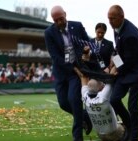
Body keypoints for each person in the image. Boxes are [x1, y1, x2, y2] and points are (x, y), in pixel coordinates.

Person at [107, 5, 138, 141]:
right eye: (108, 19)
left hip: (137, 70)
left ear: (121, 17)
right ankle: (131, 124)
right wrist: (113, 59)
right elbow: (117, 48)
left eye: (113, 18)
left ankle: (133, 136)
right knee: (114, 99)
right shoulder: (116, 27)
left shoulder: (131, 34)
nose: (110, 22)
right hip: (125, 68)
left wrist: (116, 69)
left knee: (132, 106)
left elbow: (129, 61)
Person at [44, 5, 92, 141]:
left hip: (76, 72)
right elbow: (55, 57)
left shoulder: (77, 26)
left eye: (61, 19)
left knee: (74, 100)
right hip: (61, 71)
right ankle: (86, 117)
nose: (59, 22)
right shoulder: (49, 33)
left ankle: (77, 137)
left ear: (65, 14)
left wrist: (86, 51)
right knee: (63, 103)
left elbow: (86, 43)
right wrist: (73, 68)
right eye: (56, 20)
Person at [75, 67, 126, 141]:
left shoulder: (85, 96)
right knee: (126, 125)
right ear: (100, 88)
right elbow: (111, 76)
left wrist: (76, 68)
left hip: (101, 135)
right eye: (101, 83)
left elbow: (83, 77)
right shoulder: (103, 97)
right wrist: (113, 62)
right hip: (115, 133)